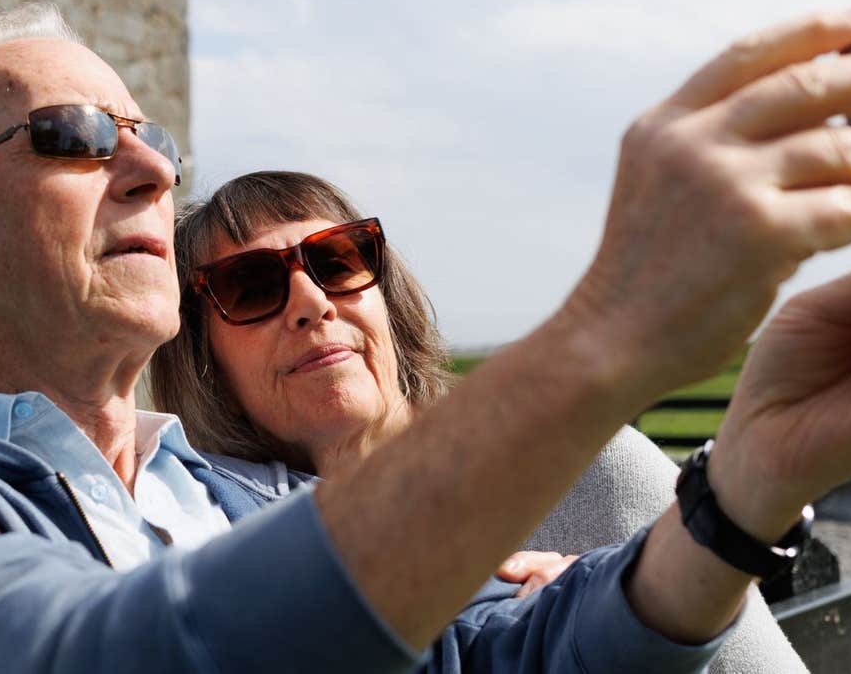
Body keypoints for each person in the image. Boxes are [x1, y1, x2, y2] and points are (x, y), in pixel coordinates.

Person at [0, 1, 851, 673]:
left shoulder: (225, 500)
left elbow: (498, 659)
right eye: (81, 139)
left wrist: (745, 485)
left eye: (149, 134)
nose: (152, 169)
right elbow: (112, 654)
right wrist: (609, 337)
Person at [150, 169, 807, 671]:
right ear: (203, 356)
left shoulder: (588, 476)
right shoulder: (209, 537)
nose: (312, 302)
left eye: (338, 260)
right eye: (252, 286)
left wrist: (595, 617)